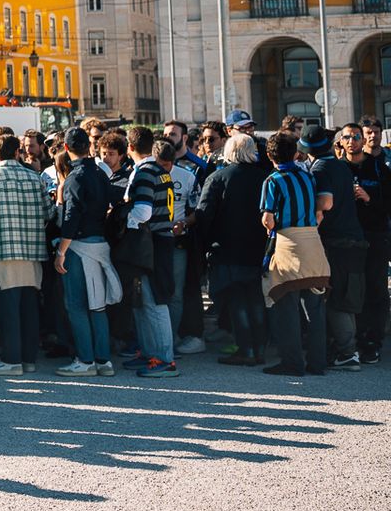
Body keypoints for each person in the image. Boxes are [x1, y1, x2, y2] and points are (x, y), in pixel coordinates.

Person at [0, 134, 51, 376]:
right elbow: (49, 212)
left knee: (8, 310)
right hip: (33, 251)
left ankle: (11, 360)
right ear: (18, 151)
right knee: (29, 309)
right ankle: (28, 359)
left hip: (5, 251)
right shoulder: (34, 176)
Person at [260, 132, 329, 377]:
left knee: (287, 306)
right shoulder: (307, 176)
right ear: (295, 153)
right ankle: (318, 363)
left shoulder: (273, 180)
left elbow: (268, 219)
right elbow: (318, 211)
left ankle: (292, 363)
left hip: (288, 244)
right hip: (313, 243)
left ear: (269, 155)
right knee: (315, 308)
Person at [195, 130, 267, 365]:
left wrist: (204, 244)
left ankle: (246, 349)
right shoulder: (264, 177)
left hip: (227, 247)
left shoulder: (217, 178)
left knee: (237, 300)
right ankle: (260, 349)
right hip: (259, 247)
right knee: (256, 299)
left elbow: (204, 214)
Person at [52, 128, 120, 375]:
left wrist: (61, 251)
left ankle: (85, 360)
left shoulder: (74, 177)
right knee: (98, 306)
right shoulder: (100, 172)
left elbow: (71, 218)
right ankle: (103, 360)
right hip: (100, 243)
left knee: (77, 305)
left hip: (79, 246)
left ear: (66, 148)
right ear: (89, 146)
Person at [123, 129, 180, 378]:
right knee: (145, 299)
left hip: (153, 241)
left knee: (154, 301)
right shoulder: (158, 170)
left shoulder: (146, 171)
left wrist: (124, 218)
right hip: (158, 239)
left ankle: (165, 359)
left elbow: (143, 212)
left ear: (130, 146)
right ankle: (150, 353)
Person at [310, 126, 366, 370]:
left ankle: (347, 352)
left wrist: (313, 217)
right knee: (347, 296)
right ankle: (348, 350)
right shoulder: (341, 166)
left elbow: (325, 202)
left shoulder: (321, 167)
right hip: (353, 239)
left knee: (336, 298)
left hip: (336, 241)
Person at [344, 119, 390, 363]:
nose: (352, 141)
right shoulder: (338, 169)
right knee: (351, 291)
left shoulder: (379, 169)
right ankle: (350, 340)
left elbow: (388, 205)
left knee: (376, 290)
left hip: (375, 236)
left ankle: (373, 340)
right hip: (346, 239)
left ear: (363, 140)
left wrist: (368, 198)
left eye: (356, 137)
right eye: (347, 137)